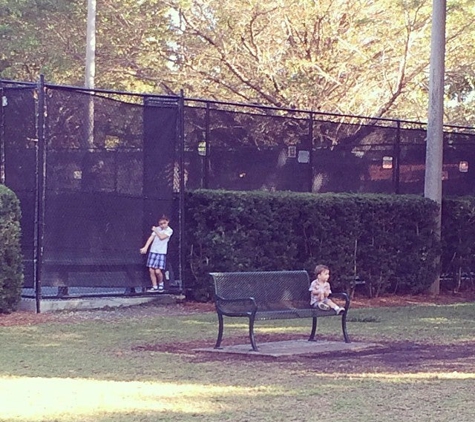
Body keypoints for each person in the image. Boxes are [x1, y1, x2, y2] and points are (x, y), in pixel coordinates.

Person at [140, 215, 173, 293]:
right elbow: (151, 238)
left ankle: (161, 285)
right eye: (160, 224)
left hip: (161, 252)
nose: (162, 225)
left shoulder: (169, 230)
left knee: (158, 271)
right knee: (151, 270)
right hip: (153, 251)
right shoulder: (157, 229)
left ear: (167, 222)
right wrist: (145, 247)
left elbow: (162, 237)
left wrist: (156, 230)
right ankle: (154, 287)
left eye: (164, 223)